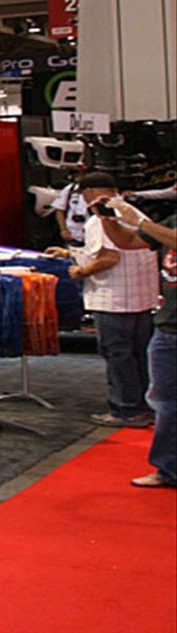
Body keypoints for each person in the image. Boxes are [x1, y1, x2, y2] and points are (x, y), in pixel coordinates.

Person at [50, 172, 158, 428]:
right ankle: (143, 406)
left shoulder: (100, 219)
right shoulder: (135, 214)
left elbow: (110, 258)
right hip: (141, 299)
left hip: (113, 299)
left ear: (88, 193)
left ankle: (126, 409)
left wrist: (80, 271)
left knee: (118, 355)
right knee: (138, 355)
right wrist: (70, 252)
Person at [108, 196, 176, 487]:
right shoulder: (171, 222)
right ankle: (168, 469)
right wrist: (107, 218)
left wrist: (139, 220)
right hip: (168, 327)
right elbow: (127, 242)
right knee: (164, 402)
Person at [52, 180, 90, 245]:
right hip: (73, 235)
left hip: (93, 236)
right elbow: (60, 210)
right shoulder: (70, 189)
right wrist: (63, 230)